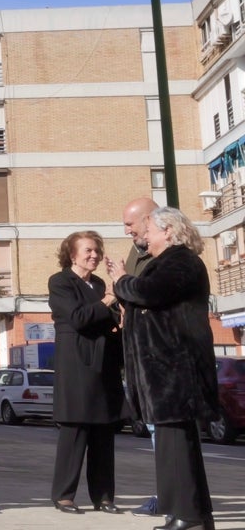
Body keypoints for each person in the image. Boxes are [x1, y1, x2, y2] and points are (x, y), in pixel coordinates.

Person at [108, 207, 217, 530]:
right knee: (174, 446)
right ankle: (191, 514)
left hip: (175, 372)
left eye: (151, 230)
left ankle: (187, 515)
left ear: (168, 231)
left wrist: (120, 281)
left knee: (177, 447)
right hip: (165, 374)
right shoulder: (168, 263)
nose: (146, 237)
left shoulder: (181, 261)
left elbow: (148, 293)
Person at [48, 231, 124, 514]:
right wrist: (107, 301)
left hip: (103, 363)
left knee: (103, 432)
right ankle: (64, 495)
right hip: (76, 364)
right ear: (72, 254)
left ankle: (104, 497)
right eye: (88, 250)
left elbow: (107, 318)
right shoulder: (60, 282)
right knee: (75, 430)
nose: (94, 255)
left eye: (97, 250)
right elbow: (79, 319)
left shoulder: (100, 284)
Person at [121, 196, 161, 518]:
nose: (126, 232)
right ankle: (168, 493)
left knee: (164, 431)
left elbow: (142, 293)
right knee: (153, 429)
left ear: (149, 221)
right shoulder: (137, 253)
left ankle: (172, 496)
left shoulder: (170, 257)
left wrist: (122, 281)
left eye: (130, 225)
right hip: (139, 355)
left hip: (161, 358)